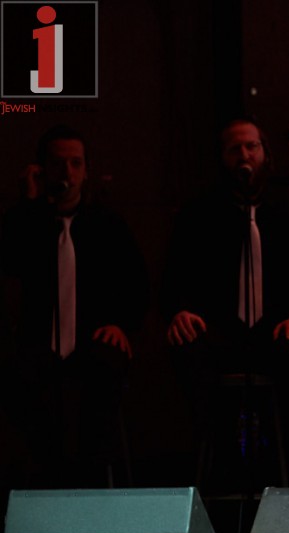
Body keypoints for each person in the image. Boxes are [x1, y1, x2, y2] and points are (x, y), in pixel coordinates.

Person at [160, 117, 289, 493]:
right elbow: (173, 277)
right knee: (188, 348)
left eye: (252, 146)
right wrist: (180, 311)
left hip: (278, 329)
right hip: (219, 332)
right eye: (234, 149)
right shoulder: (199, 212)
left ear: (266, 153)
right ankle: (219, 457)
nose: (244, 155)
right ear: (221, 158)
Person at [0, 124, 149, 488]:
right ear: (42, 169)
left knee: (106, 370)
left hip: (92, 338)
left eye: (75, 163)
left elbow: (137, 282)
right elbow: (10, 261)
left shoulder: (107, 223)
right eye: (57, 163)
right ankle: (47, 475)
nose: (66, 172)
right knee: (15, 377)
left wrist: (121, 325)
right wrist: (29, 203)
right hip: (39, 340)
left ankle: (90, 478)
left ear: (86, 171)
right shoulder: (30, 222)